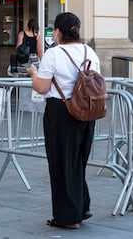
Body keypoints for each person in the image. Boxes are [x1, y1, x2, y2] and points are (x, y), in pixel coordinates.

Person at [26, 12, 99, 229]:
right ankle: (82, 205)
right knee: (78, 161)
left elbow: (42, 87)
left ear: (58, 32)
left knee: (61, 163)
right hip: (87, 110)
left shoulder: (54, 54)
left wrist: (33, 74)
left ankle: (68, 217)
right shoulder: (90, 51)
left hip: (61, 111)